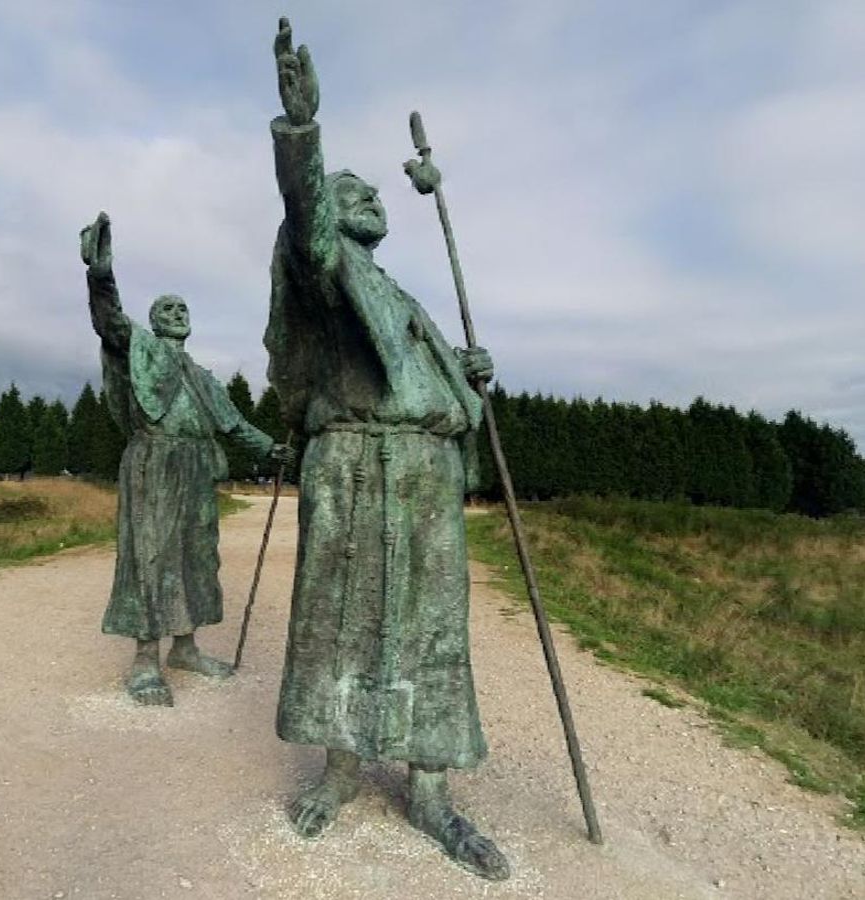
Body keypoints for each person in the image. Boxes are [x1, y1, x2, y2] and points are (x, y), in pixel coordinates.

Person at [262, 18, 509, 881]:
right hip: (356, 464)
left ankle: (432, 792)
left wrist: (466, 376)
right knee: (339, 615)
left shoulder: (402, 292)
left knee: (432, 630)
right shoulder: (324, 271)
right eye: (349, 190)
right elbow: (309, 223)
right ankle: (338, 771)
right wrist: (303, 136)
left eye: (371, 195)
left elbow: (435, 382)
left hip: (425, 470)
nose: (367, 199)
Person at [81, 211, 292, 707]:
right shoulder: (140, 349)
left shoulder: (201, 376)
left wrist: (272, 448)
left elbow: (234, 424)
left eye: (183, 308)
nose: (178, 312)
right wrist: (100, 275)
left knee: (197, 558)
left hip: (197, 467)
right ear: (154, 321)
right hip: (154, 463)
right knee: (151, 557)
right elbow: (108, 320)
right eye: (167, 308)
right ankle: (144, 661)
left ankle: (186, 647)